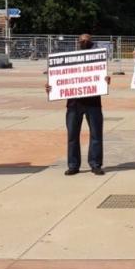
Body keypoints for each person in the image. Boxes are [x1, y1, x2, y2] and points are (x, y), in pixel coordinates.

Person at [46, 34, 111, 176]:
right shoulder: (69, 60)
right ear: (78, 43)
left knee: (96, 135)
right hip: (74, 103)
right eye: (82, 41)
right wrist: (51, 87)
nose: (85, 42)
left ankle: (95, 164)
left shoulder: (96, 61)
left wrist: (105, 80)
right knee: (72, 136)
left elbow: (101, 78)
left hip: (93, 102)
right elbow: (59, 78)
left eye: (87, 40)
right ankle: (73, 165)